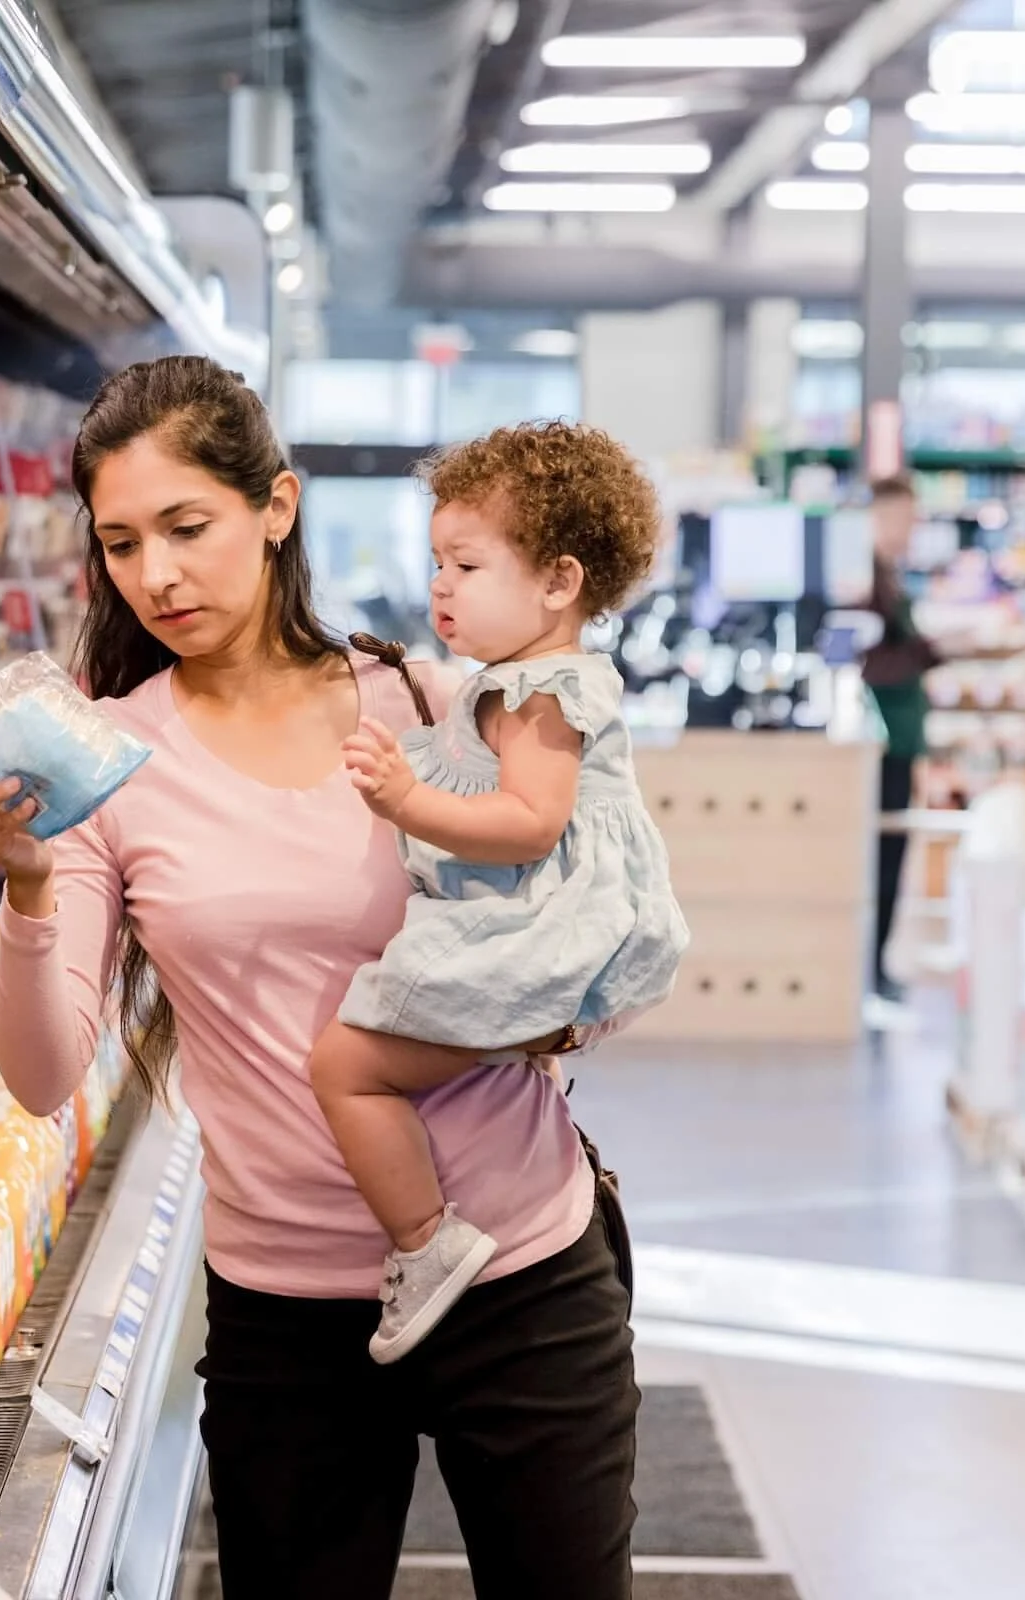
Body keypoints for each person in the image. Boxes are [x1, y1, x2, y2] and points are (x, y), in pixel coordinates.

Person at [0, 356, 643, 1600]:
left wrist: (565, 1007)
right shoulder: (109, 763)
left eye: (188, 527)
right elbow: (44, 1078)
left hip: (517, 1261)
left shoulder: (423, 696)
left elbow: (575, 900)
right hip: (288, 1314)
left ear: (278, 505)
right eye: (122, 542)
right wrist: (29, 884)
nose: (156, 574)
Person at [311, 423, 687, 1363]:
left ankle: (425, 1240)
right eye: (437, 561)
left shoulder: (543, 694)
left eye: (467, 564)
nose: (440, 585)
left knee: (347, 1068)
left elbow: (531, 823)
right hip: (543, 922)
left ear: (559, 582)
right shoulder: (514, 680)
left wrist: (408, 798)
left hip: (541, 927)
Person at [861, 476, 937, 999]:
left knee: (892, 854)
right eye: (905, 518)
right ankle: (871, 970)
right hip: (882, 742)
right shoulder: (863, 581)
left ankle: (878, 964)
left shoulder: (887, 575)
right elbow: (872, 662)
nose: (911, 530)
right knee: (882, 857)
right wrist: (930, 650)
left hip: (900, 738)